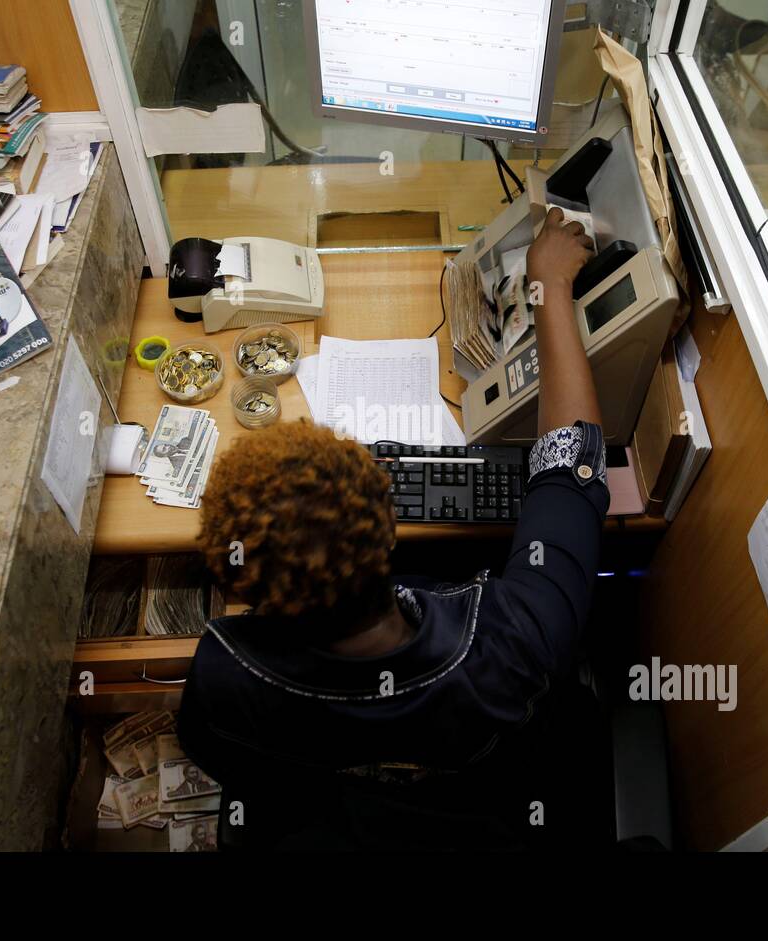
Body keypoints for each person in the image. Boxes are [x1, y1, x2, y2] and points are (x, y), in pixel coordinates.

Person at [178, 208, 611, 850]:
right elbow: (572, 468)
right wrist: (549, 286)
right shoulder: (515, 642)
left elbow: (230, 763)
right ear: (388, 528)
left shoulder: (221, 675)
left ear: (238, 590)